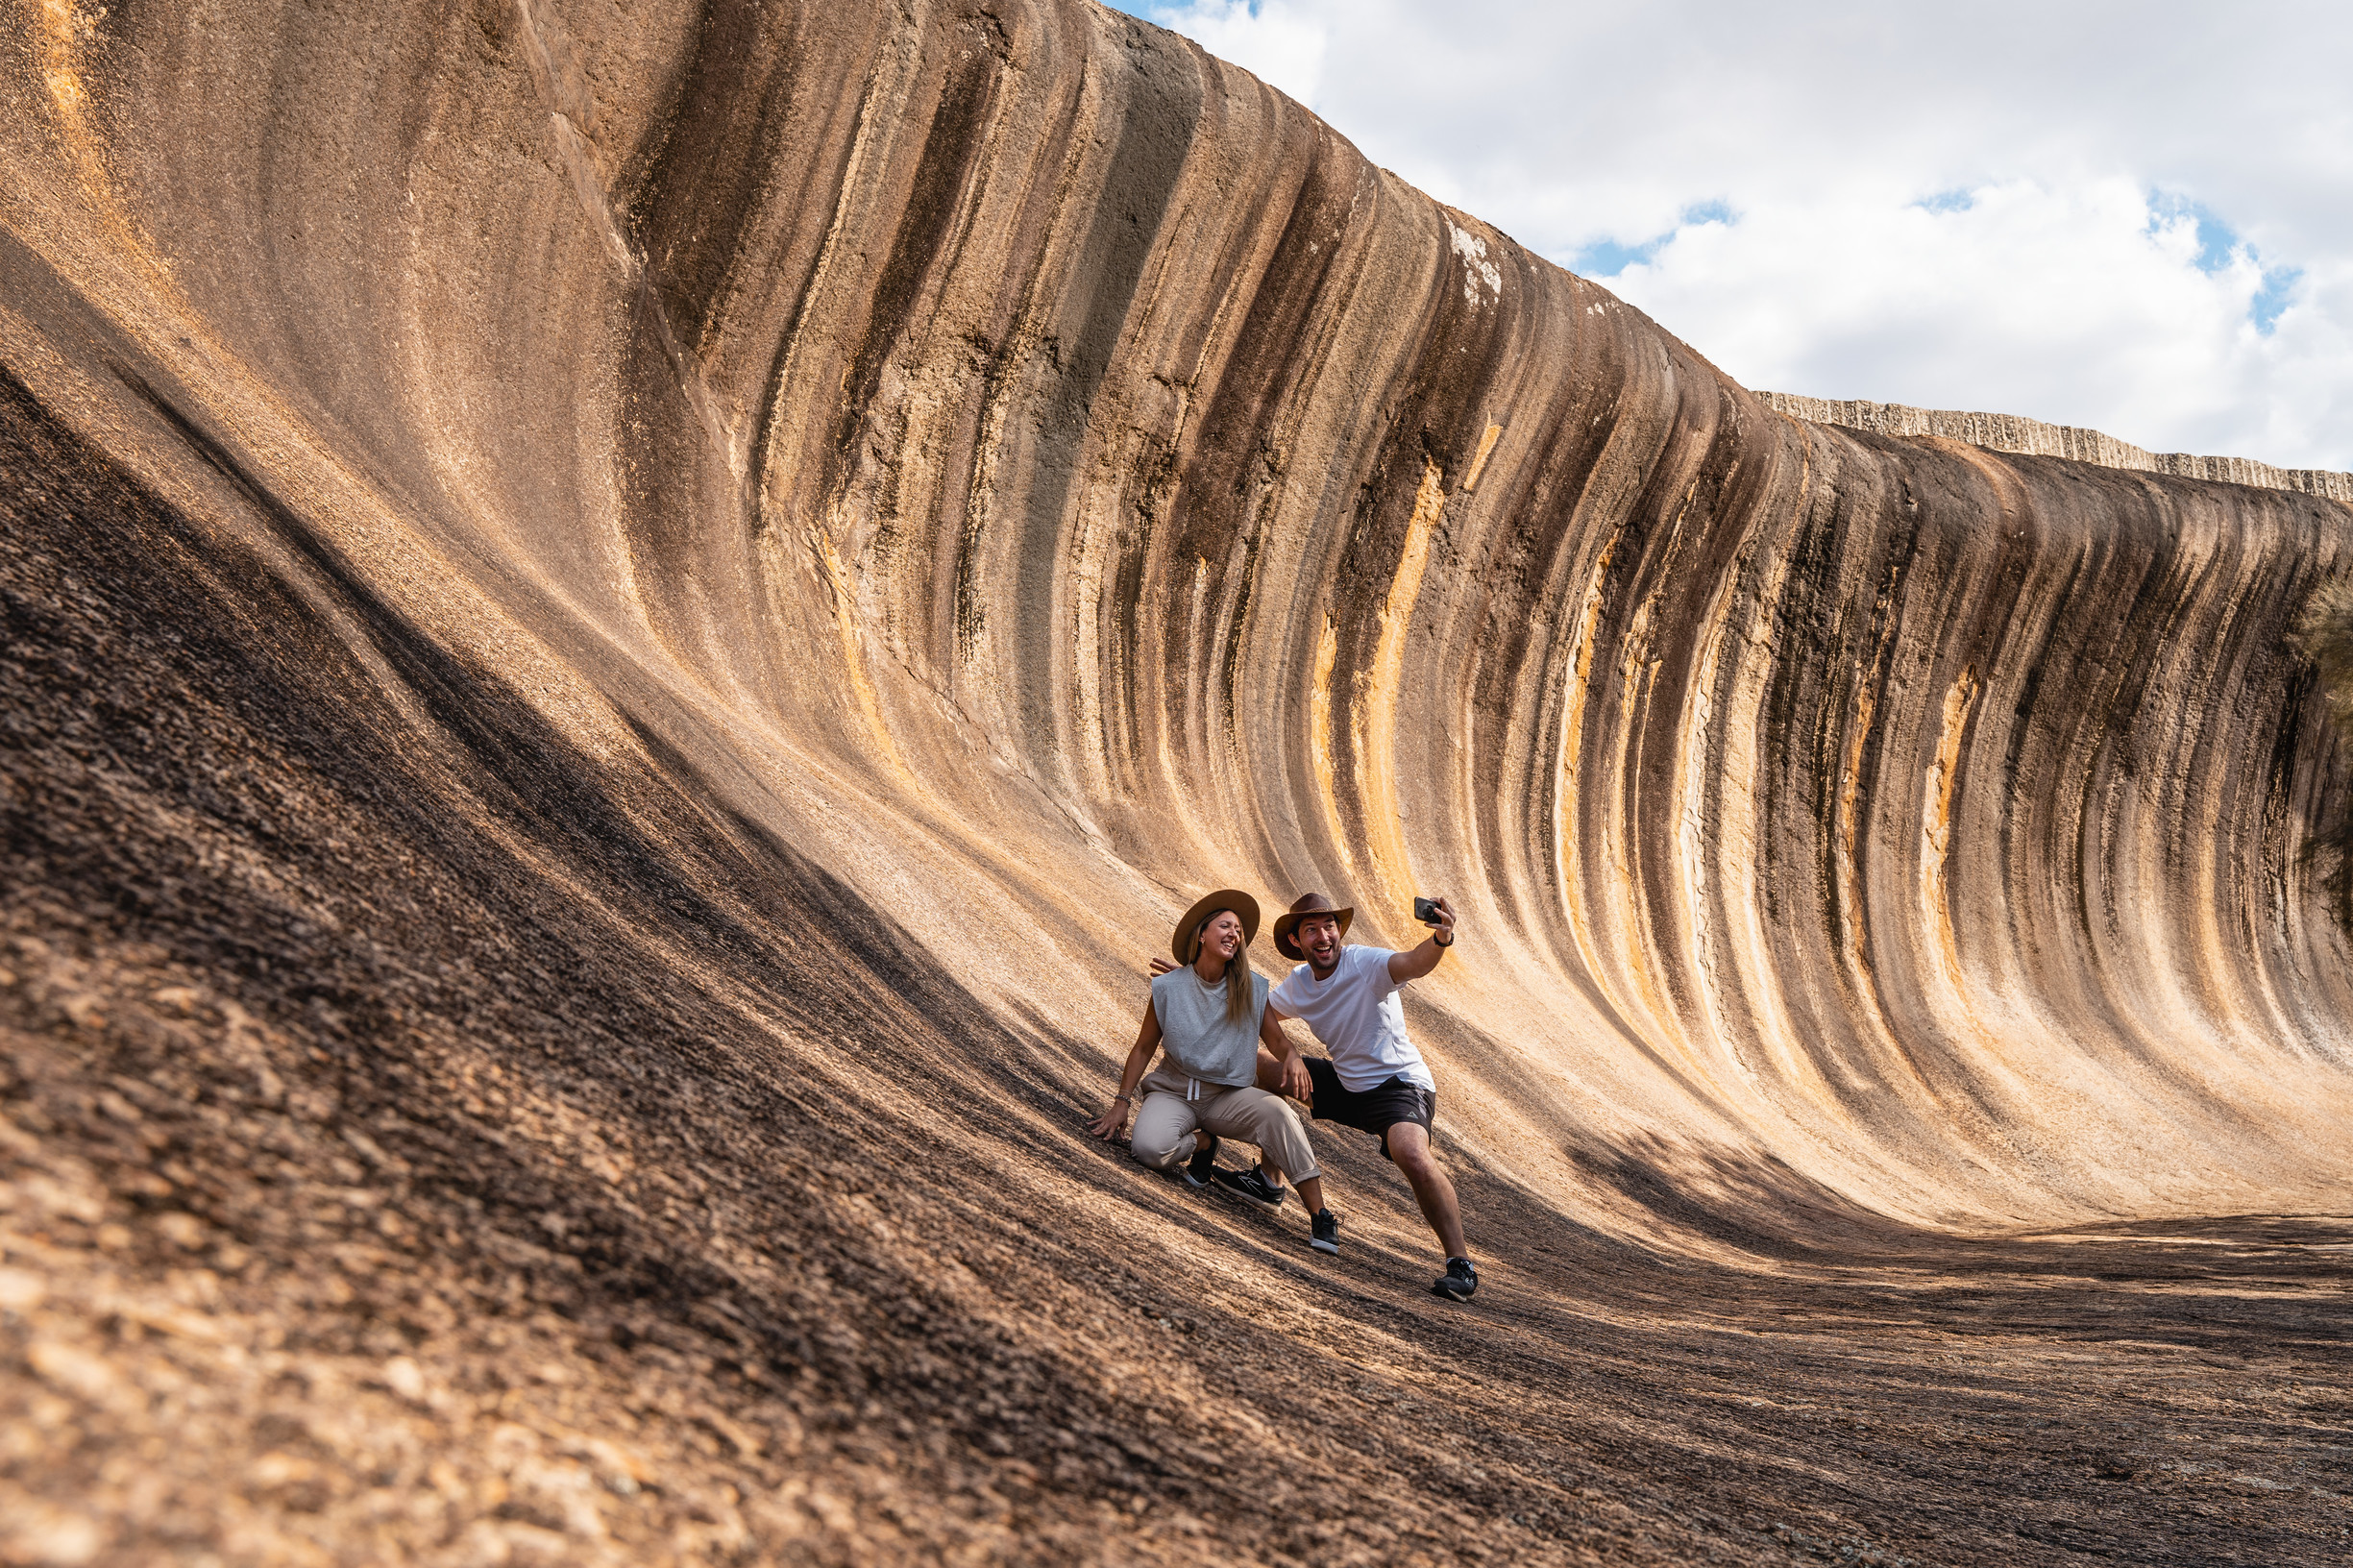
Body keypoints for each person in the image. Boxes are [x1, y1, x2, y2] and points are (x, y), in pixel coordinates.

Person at [1087, 890, 1341, 1256]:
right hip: (1173, 1093)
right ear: (1202, 935)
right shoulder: (1169, 988)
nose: (1234, 934)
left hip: (1226, 1098)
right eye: (1226, 925)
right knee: (1147, 1150)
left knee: (1279, 1113)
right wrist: (1121, 1103)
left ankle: (1320, 1214)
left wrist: (1294, 1058)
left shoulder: (1251, 990)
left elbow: (1280, 1042)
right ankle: (1204, 1144)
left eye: (1238, 930)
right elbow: (1143, 1047)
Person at [1262, 890, 1478, 1301]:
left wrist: (1441, 939)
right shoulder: (1300, 984)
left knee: (1411, 1153)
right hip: (1346, 1083)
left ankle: (1460, 1264)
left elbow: (1413, 962)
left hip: (1399, 1086)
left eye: (1329, 927)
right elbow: (1260, 1011)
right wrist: (1287, 1054)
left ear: (1339, 932)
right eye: (1311, 930)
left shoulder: (1365, 963)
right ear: (1297, 941)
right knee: (1258, 1066)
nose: (1323, 937)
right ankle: (1268, 1181)